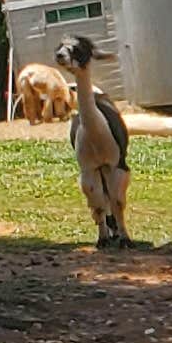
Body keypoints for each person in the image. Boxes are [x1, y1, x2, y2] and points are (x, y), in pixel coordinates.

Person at [62, 35, 135, 246]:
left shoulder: (108, 115)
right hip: (87, 144)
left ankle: (122, 230)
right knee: (93, 187)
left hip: (110, 143)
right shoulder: (79, 121)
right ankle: (102, 230)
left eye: (74, 53)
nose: (63, 55)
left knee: (116, 193)